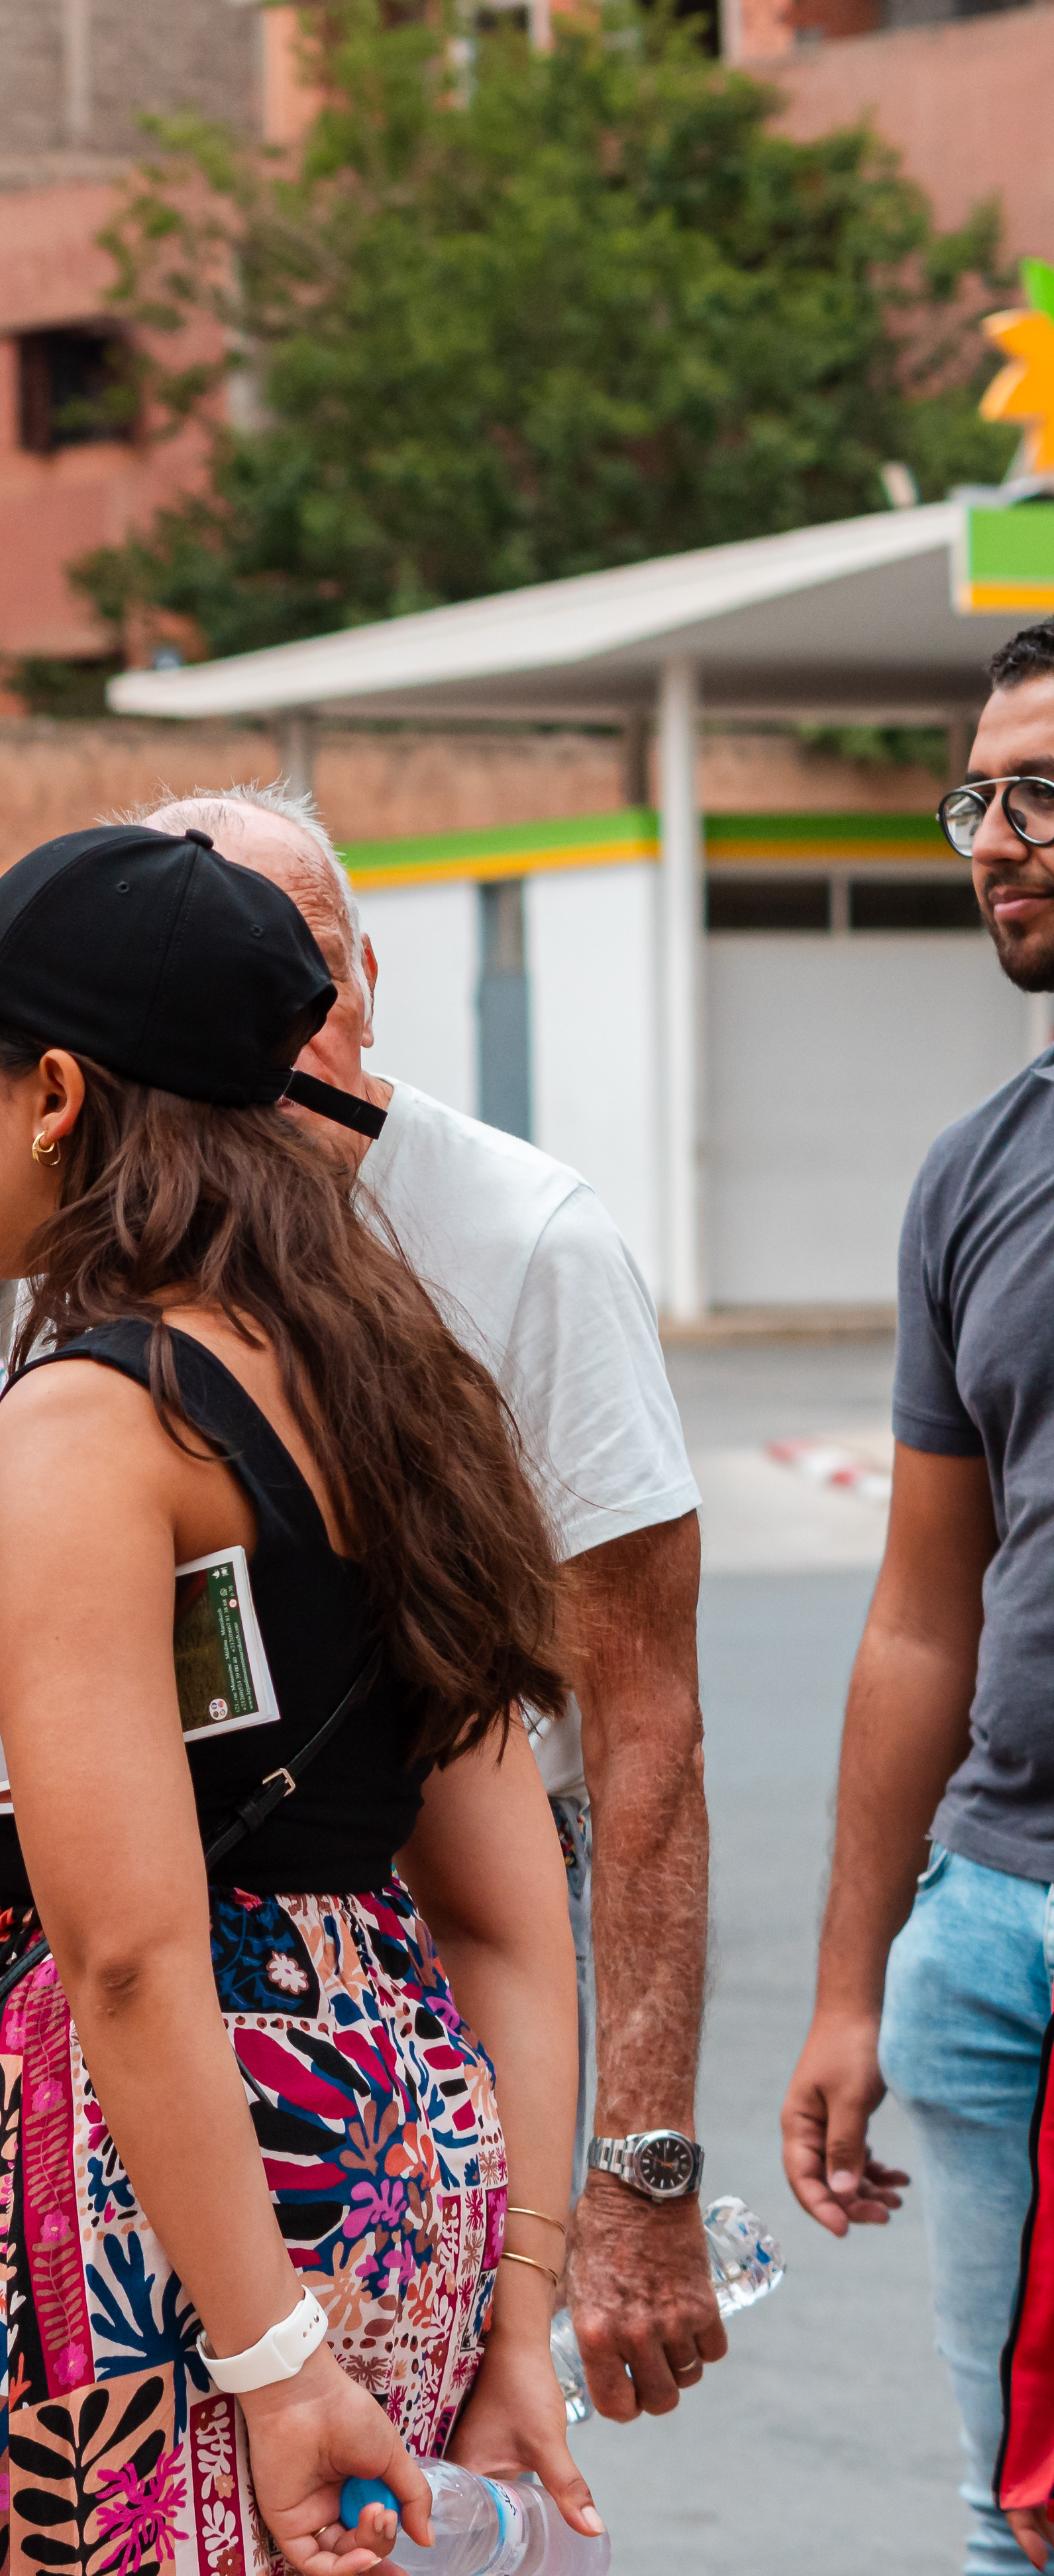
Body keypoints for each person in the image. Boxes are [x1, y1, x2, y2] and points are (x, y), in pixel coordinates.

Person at [0, 780, 722, 2424]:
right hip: (397, 2166)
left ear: (52, 1095)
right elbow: (511, 1919)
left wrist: (266, 2366)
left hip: (151, 2217)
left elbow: (125, 1952)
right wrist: (516, 2317)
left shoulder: (94, 1421)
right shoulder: (398, 1389)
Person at [783, 617, 1054, 2576]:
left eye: (1044, 792)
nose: (997, 839)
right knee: (1007, 2514)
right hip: (990, 1941)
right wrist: (856, 1980)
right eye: (980, 796)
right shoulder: (976, 1178)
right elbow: (919, 1614)